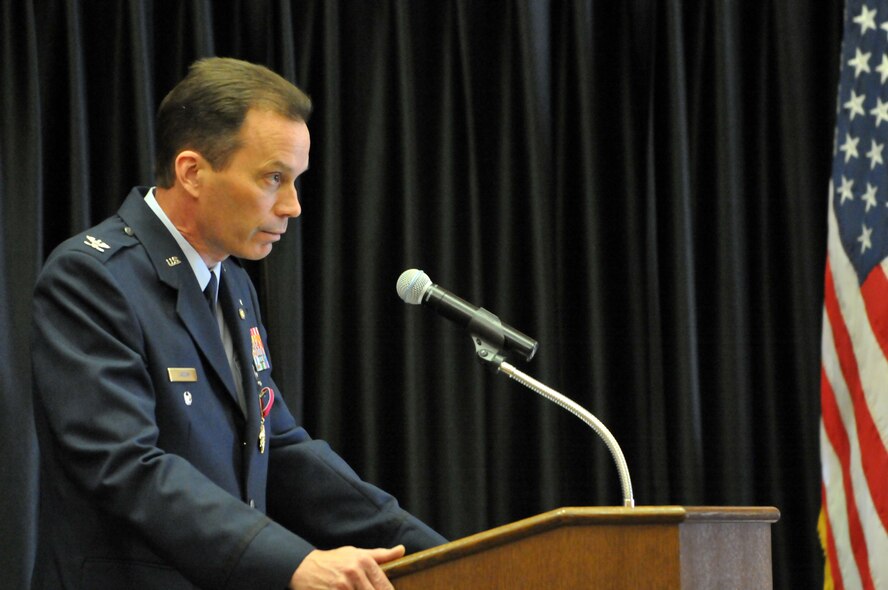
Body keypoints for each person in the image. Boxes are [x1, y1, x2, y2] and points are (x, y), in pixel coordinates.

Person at [30, 56, 446, 589]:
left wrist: (441, 552)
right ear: (193, 172)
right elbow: (127, 466)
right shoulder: (92, 278)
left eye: (296, 181)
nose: (293, 206)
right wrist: (293, 561)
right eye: (274, 178)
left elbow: (279, 445)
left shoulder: (233, 283)